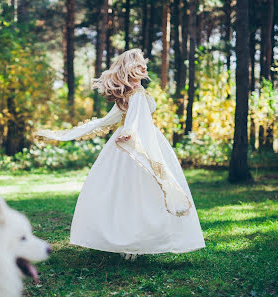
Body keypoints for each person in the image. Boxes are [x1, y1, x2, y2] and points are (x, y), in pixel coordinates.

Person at [35, 49, 205, 259]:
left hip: (138, 141)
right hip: (134, 142)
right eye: (138, 64)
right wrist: (128, 133)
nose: (143, 67)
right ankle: (131, 242)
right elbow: (125, 118)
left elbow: (125, 119)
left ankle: (130, 240)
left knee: (131, 193)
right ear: (128, 69)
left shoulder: (131, 94)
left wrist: (127, 132)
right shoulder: (134, 94)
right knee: (134, 194)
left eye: (144, 64)